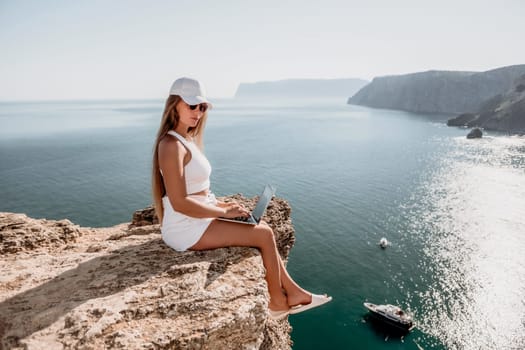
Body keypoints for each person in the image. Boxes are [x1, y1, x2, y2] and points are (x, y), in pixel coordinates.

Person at [152, 77, 332, 320]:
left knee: (263, 226)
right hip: (184, 228)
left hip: (196, 220)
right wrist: (223, 213)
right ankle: (278, 303)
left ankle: (293, 291)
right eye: (192, 106)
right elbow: (180, 202)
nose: (198, 112)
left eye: (202, 107)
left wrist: (227, 206)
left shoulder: (186, 140)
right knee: (264, 234)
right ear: (174, 104)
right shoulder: (171, 144)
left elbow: (199, 192)